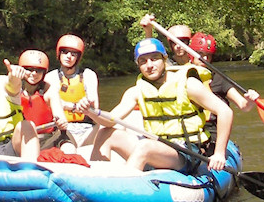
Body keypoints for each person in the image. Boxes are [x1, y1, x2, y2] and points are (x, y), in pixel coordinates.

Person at [80, 38, 233, 172]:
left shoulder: (187, 84)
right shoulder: (136, 91)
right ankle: (97, 178)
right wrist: (91, 112)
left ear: (164, 59)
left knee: (145, 146)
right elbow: (110, 120)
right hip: (156, 148)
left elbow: (225, 112)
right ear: (138, 65)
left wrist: (219, 152)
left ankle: (128, 188)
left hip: (186, 152)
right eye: (143, 61)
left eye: (154, 59)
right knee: (105, 133)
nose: (149, 65)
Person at [189, 32, 258, 141]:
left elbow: (243, 105)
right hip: (189, 130)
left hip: (212, 131)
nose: (205, 59)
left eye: (209, 55)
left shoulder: (218, 78)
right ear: (191, 54)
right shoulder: (182, 75)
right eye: (201, 54)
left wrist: (250, 100)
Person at [44, 34, 99, 149]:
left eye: (73, 54)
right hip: (63, 130)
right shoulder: (50, 77)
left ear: (78, 57)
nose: (69, 56)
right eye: (65, 52)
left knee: (111, 128)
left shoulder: (88, 75)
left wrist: (87, 105)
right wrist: (73, 106)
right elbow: (48, 105)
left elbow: (95, 107)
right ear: (59, 54)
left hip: (87, 128)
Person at [17, 49, 71, 150]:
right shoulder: (15, 90)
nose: (34, 73)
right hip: (23, 140)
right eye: (29, 69)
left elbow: (59, 114)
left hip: (47, 138)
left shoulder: (49, 91)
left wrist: (61, 122)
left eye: (38, 70)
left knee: (68, 146)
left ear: (44, 73)